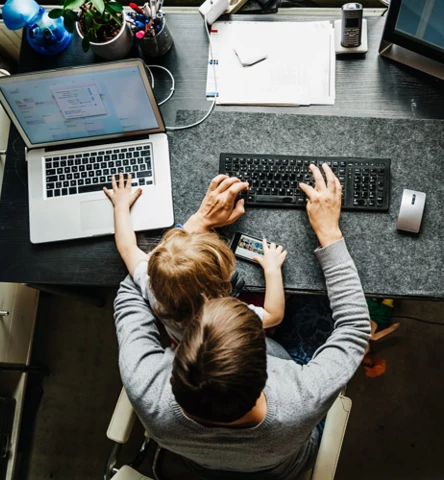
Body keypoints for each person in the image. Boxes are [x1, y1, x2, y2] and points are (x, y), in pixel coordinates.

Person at [113, 165, 371, 479]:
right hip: (284, 467)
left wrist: (197, 224)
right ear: (265, 369)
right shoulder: (301, 398)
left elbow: (132, 287)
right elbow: (355, 328)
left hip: (198, 463)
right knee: (313, 310)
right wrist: (329, 231)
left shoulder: (144, 386)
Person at [104, 173, 288, 342]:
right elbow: (274, 315)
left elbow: (127, 248)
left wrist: (120, 206)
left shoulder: (151, 283)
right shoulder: (225, 315)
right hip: (221, 338)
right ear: (223, 284)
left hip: (182, 339)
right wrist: (273, 270)